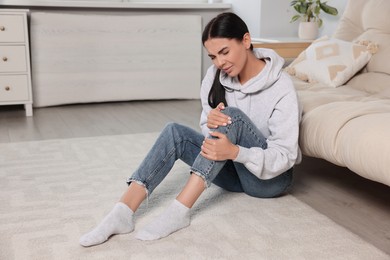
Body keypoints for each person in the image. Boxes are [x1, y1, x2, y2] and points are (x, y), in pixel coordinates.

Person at [79, 12, 301, 247]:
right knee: (174, 131)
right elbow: (209, 137)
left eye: (224, 52)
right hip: (232, 170)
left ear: (246, 41)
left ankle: (178, 212)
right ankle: (122, 212)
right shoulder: (215, 76)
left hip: (269, 181)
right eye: (213, 56)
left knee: (232, 117)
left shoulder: (282, 87)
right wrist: (212, 123)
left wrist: (236, 152)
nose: (219, 63)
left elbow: (286, 156)